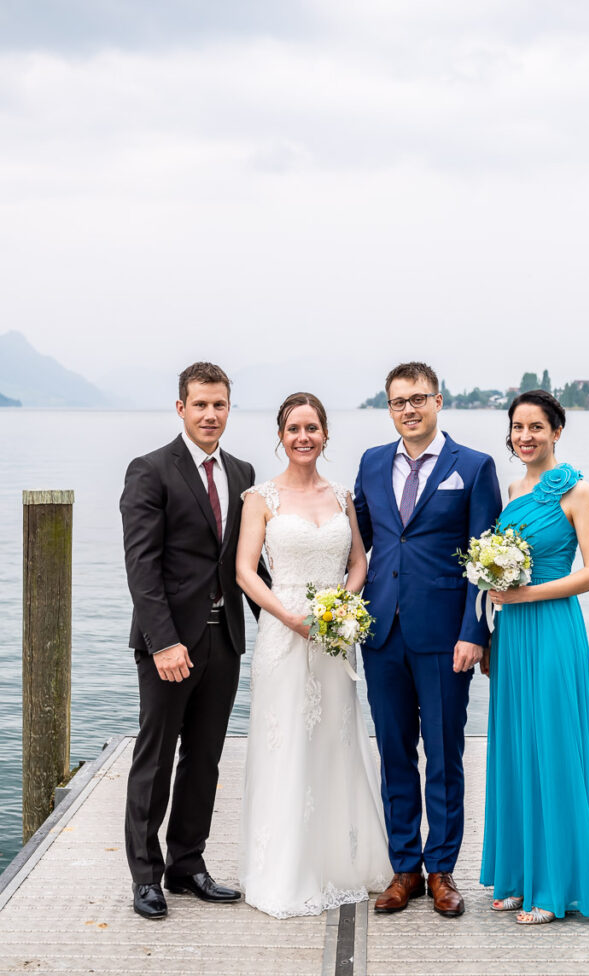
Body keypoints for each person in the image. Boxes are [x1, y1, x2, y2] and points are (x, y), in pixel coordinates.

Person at [120, 362, 269, 920]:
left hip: (223, 638)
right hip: (168, 644)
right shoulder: (151, 470)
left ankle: (188, 864)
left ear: (230, 408)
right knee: (155, 759)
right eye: (201, 404)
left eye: (220, 405)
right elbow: (142, 566)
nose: (211, 414)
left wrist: (290, 621)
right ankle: (146, 875)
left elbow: (244, 564)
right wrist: (162, 642)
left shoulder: (242, 472)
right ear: (180, 408)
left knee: (204, 758)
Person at [353, 362, 502, 917]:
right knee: (394, 751)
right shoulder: (370, 463)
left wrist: (474, 633)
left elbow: (484, 561)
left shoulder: (475, 466)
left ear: (439, 401)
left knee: (443, 754)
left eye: (419, 398)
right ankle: (404, 869)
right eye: (398, 401)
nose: (409, 409)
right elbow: (360, 540)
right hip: (382, 631)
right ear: (388, 407)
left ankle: (442, 869)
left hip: (446, 638)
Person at [236, 392, 392, 919]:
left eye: (313, 428)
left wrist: (344, 605)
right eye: (294, 428)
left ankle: (339, 860)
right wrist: (288, 617)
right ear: (280, 435)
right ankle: (285, 869)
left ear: (326, 435)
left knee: (335, 741)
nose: (304, 437)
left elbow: (359, 562)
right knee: (287, 743)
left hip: (334, 637)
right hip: (284, 634)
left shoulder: (343, 495)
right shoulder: (261, 497)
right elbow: (244, 571)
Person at [481, 389, 589, 924]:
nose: (525, 436)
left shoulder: (577, 490)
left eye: (536, 427)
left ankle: (555, 888)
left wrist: (526, 594)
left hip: (554, 628)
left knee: (554, 744)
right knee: (517, 746)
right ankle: (519, 874)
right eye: (518, 427)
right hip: (512, 634)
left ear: (556, 431)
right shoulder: (514, 488)